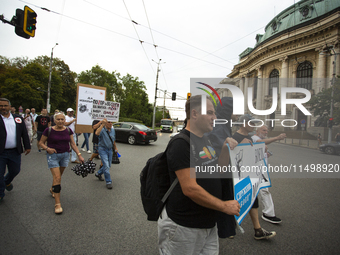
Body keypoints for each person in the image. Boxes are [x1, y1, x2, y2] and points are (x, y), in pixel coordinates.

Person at [158, 95, 240, 254]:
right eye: (210, 113)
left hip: (208, 224)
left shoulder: (205, 140)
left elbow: (217, 171)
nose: (215, 118)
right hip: (185, 226)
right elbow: (190, 189)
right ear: (194, 114)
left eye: (215, 113)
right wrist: (224, 206)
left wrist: (224, 150)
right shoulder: (181, 143)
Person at [232, 114, 276, 240]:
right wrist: (240, 145)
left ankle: (258, 230)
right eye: (251, 123)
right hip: (237, 178)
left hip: (249, 175)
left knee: (253, 200)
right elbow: (231, 156)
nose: (254, 125)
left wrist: (262, 150)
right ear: (242, 124)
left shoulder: (250, 136)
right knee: (233, 200)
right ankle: (227, 227)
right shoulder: (235, 137)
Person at [39, 111, 84, 214]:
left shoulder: (68, 130)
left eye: (62, 119)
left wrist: (79, 154)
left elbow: (73, 144)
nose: (60, 121)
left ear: (64, 120)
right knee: (57, 178)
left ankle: (52, 188)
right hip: (53, 155)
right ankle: (57, 204)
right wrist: (47, 148)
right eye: (58, 119)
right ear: (54, 120)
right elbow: (41, 142)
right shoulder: (48, 130)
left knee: (59, 177)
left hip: (65, 156)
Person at [207, 97, 239, 239]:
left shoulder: (223, 124)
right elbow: (221, 155)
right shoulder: (220, 126)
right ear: (228, 110)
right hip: (219, 176)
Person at [252, 125, 285, 224]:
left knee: (262, 191)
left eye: (267, 130)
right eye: (264, 130)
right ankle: (268, 213)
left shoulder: (259, 139)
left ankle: (268, 213)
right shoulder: (254, 138)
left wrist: (266, 154)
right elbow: (260, 143)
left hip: (261, 170)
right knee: (261, 191)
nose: (266, 132)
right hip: (255, 170)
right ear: (257, 131)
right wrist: (277, 138)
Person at [0, 98, 31, 204]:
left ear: (9, 106)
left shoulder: (17, 118)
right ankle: (1, 194)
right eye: (1, 106)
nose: (3, 107)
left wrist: (27, 146)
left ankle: (6, 181)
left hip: (15, 151)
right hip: (1, 152)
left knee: (15, 170)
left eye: (5, 105)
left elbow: (24, 133)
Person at [95, 118, 118, 189]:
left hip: (110, 150)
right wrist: (102, 124)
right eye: (108, 122)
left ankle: (98, 173)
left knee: (108, 165)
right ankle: (108, 182)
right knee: (106, 166)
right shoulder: (102, 129)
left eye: (111, 122)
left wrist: (115, 148)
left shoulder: (113, 130)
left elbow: (113, 140)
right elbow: (96, 133)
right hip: (102, 149)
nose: (110, 123)